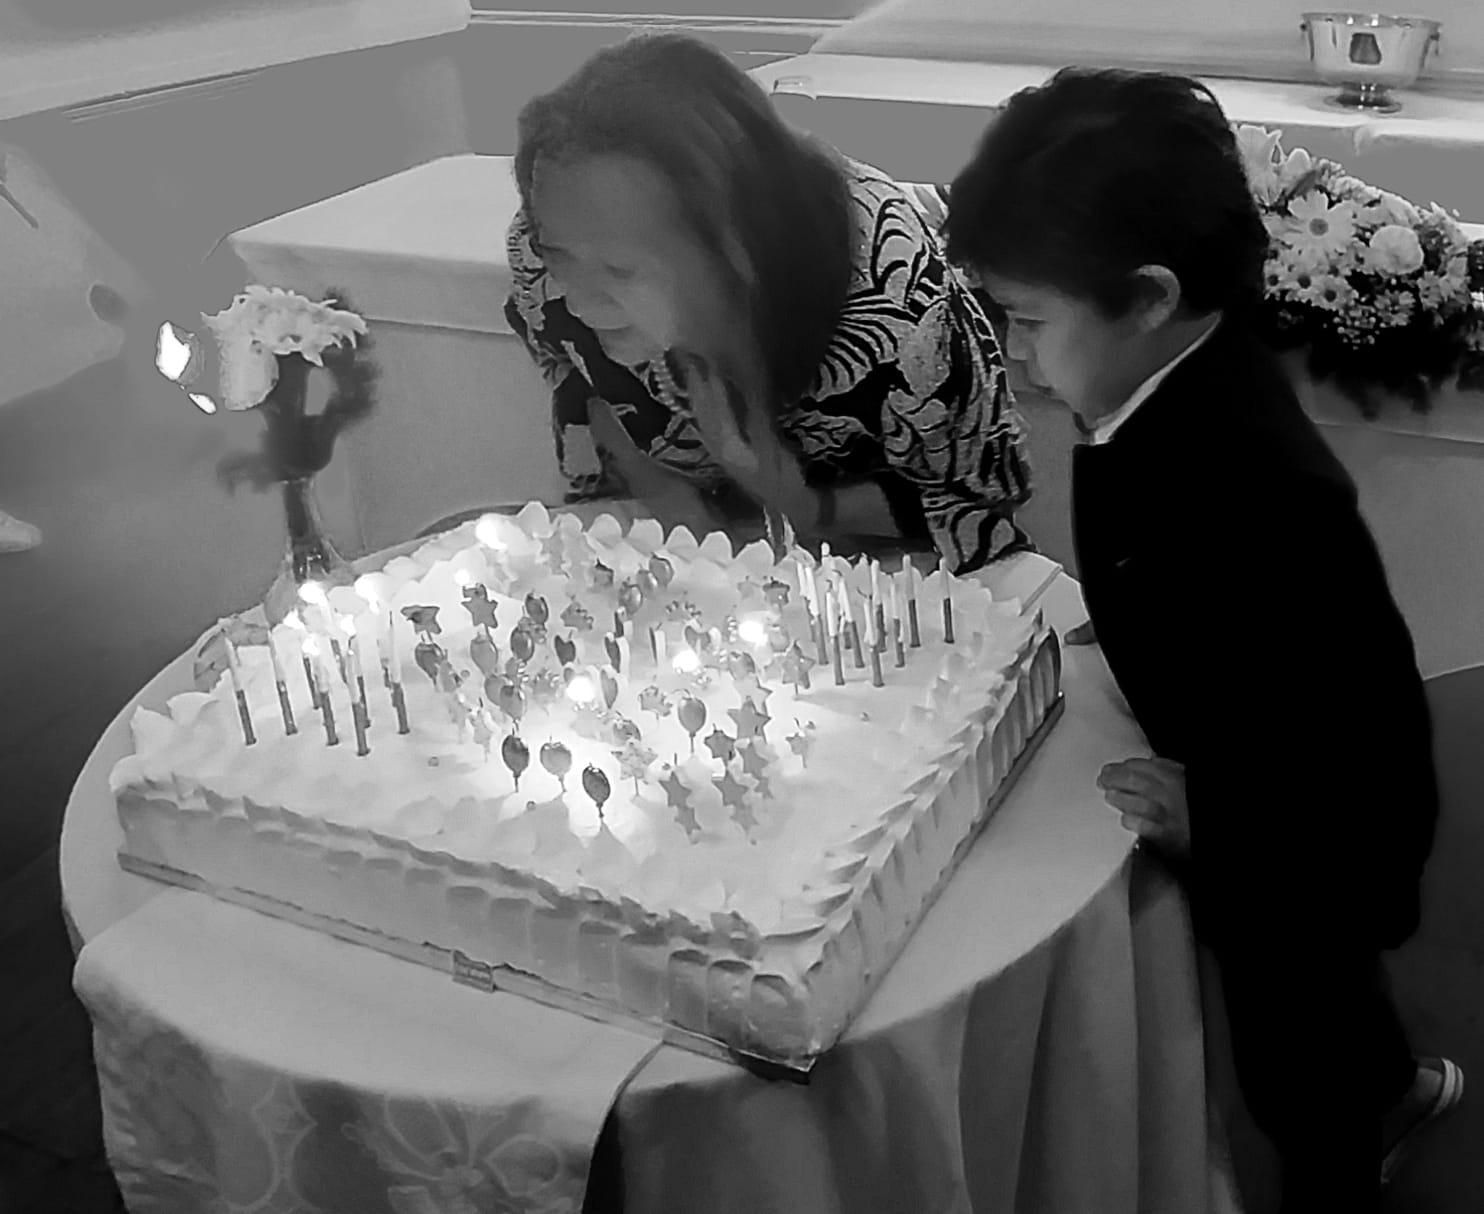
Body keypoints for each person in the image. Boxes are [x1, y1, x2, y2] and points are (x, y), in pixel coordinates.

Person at [942, 67, 1460, 1211]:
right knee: (1334, 1008)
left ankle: (1343, 1159)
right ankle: (1393, 1081)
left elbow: (1329, 730)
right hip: (1255, 767)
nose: (1016, 357)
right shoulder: (1156, 385)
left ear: (1141, 297)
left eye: (1026, 320)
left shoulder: (1256, 494)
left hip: (1310, 831)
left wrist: (1218, 811)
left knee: (1294, 1040)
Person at [503, 33, 1032, 572]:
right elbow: (584, 386)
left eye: (620, 270)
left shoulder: (894, 306)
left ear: (735, 250)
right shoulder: (545, 248)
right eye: (560, 256)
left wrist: (792, 499)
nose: (580, 298)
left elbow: (970, 501)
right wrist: (683, 516)